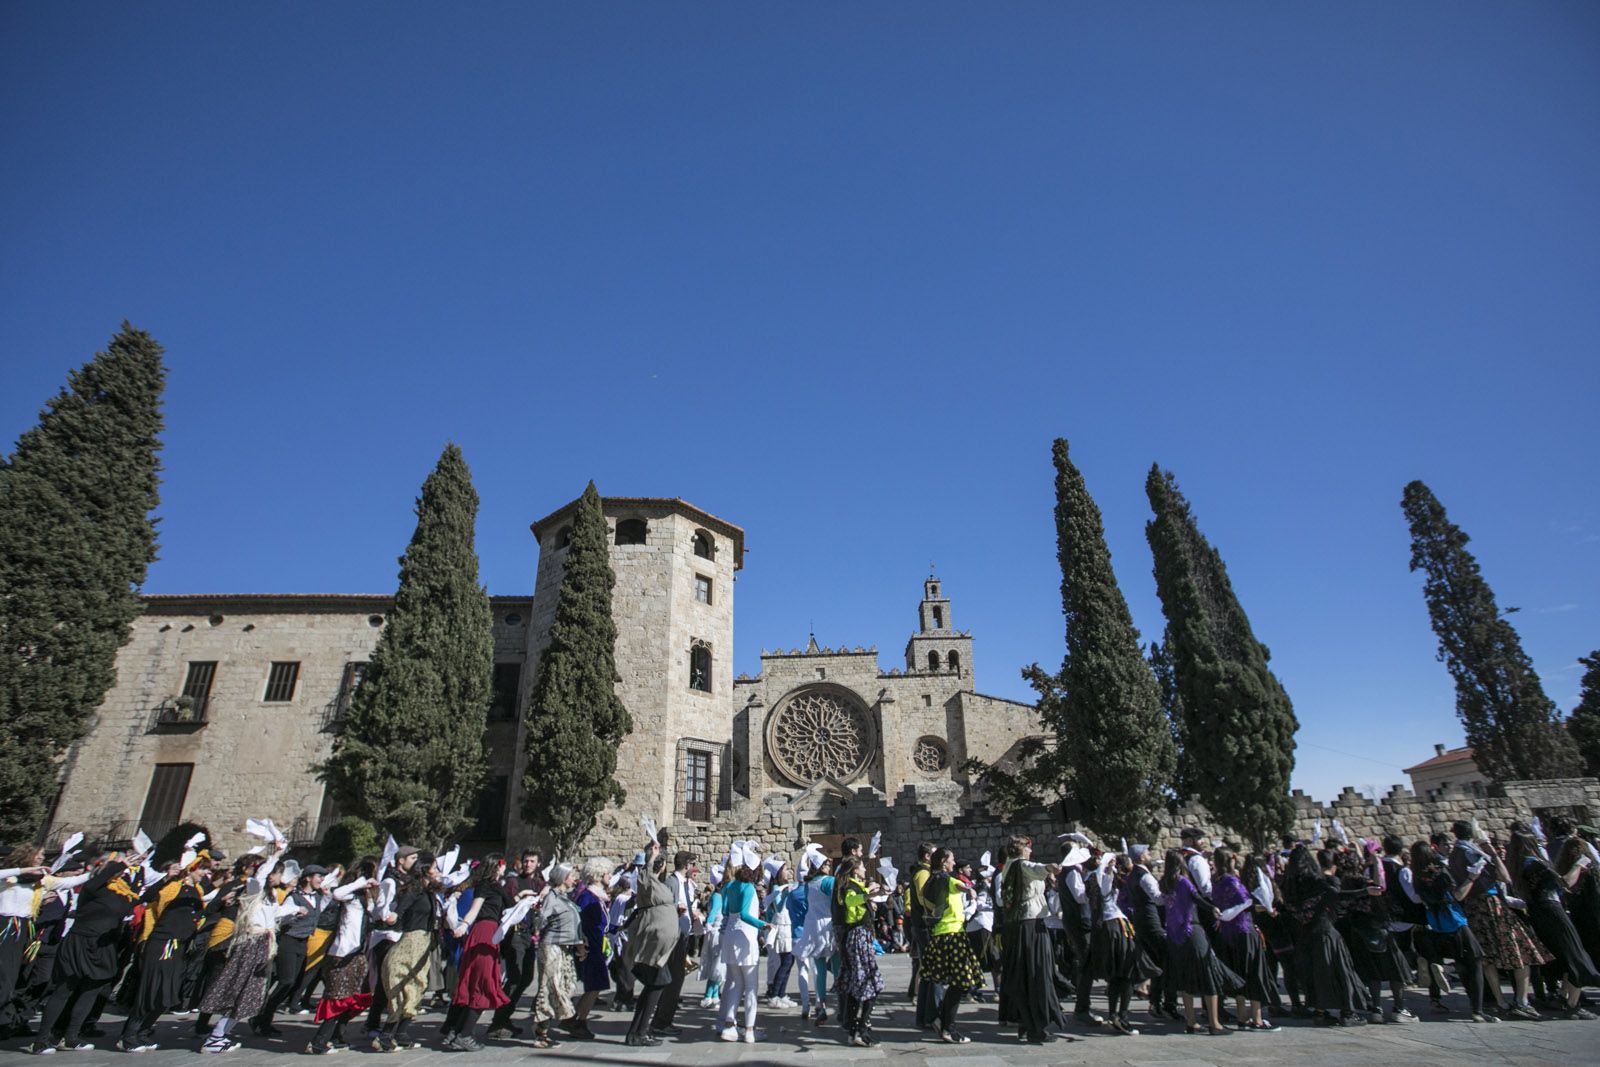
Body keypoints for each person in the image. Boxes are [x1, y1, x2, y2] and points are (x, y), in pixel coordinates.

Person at [30, 850, 149, 1053]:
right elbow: (99, 877)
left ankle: (71, 1037)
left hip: (104, 946)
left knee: (90, 992)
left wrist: (166, 880)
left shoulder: (121, 891)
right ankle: (41, 1039)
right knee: (65, 990)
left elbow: (136, 902)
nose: (122, 870)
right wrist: (121, 863)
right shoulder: (94, 887)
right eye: (117, 865)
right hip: (81, 941)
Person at [197, 844, 289, 1052]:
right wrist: (274, 855)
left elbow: (275, 913)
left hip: (263, 945)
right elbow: (260, 876)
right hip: (250, 945)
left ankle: (221, 1034)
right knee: (239, 988)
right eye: (277, 873)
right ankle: (215, 1036)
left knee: (251, 993)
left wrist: (296, 909)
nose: (279, 877)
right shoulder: (254, 889)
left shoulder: (270, 894)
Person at [118, 854, 212, 1051]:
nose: (206, 873)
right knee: (151, 990)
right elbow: (150, 898)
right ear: (192, 869)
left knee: (166, 993)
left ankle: (143, 1031)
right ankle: (128, 1036)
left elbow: (199, 914)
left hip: (180, 946)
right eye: (202, 869)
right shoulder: (173, 887)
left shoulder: (198, 890)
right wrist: (169, 877)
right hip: (162, 943)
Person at [1506, 832, 1600, 1019]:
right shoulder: (1536, 864)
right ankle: (1572, 1005)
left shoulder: (1520, 867)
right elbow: (1565, 882)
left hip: (1539, 913)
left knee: (1568, 957)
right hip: (1553, 911)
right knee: (1577, 957)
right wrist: (1579, 864)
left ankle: (1566, 999)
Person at [1284, 845, 1378, 1026]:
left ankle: (1320, 1012)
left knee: (1317, 975)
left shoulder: (1289, 885)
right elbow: (1337, 896)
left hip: (1306, 935)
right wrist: (1365, 892)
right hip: (1325, 932)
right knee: (1340, 972)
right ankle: (1348, 1012)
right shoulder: (1316, 882)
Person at [996, 835, 1070, 1043]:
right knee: (1036, 974)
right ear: (1021, 850)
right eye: (1028, 848)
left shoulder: (1009, 866)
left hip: (1019, 926)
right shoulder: (1022, 865)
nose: (1030, 851)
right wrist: (1051, 868)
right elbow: (1037, 868)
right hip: (1030, 925)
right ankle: (1035, 1027)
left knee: (1024, 975)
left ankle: (1026, 1022)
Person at [1410, 841, 1494, 1022]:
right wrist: (1472, 878)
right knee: (1476, 961)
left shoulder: (1417, 876)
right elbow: (1456, 895)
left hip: (1436, 923)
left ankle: (1446, 968)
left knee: (1464, 963)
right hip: (1454, 921)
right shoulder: (1439, 871)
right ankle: (1476, 1010)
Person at [441, 854, 512, 1051]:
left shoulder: (498, 887)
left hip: (493, 934)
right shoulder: (485, 885)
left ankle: (456, 1032)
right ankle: (463, 1035)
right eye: (503, 865)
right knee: (482, 983)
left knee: (479, 982)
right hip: (484, 933)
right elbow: (475, 908)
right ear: (498, 866)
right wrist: (464, 925)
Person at [305, 861, 377, 1054]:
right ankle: (318, 1042)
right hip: (341, 954)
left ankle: (337, 1036)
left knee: (353, 998)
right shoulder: (351, 897)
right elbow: (337, 893)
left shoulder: (364, 901)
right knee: (338, 998)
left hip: (358, 954)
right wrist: (361, 882)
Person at [253, 862, 327, 1037]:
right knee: (286, 980)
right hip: (288, 940)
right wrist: (293, 913)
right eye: (319, 876)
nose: (321, 880)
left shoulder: (317, 897)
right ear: (308, 878)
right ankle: (262, 1017)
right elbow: (280, 917)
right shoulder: (293, 897)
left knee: (292, 983)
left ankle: (263, 1017)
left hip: (303, 942)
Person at [919, 847, 984, 1043]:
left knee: (951, 983)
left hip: (942, 936)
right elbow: (956, 884)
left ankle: (942, 1021)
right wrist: (969, 889)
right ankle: (948, 1026)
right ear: (943, 862)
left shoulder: (932, 880)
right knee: (960, 982)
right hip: (951, 936)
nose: (954, 863)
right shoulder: (943, 879)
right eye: (952, 860)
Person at [375, 851, 439, 1051]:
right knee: (402, 986)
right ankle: (386, 1035)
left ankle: (401, 1032)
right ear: (425, 870)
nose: (437, 871)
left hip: (424, 943)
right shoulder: (413, 890)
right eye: (435, 868)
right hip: (411, 941)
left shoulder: (430, 892)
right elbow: (400, 910)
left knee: (417, 986)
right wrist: (393, 916)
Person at [1210, 850, 1280, 1031]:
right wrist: (1266, 908)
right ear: (1231, 860)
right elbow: (1245, 903)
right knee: (1254, 972)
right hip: (1244, 930)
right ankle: (1256, 1018)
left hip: (1228, 933)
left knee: (1239, 972)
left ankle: (1242, 1016)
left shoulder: (1216, 881)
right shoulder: (1233, 881)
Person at [622, 843, 675, 1047]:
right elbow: (643, 876)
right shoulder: (647, 882)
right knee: (658, 982)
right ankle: (639, 1032)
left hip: (659, 945)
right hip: (651, 944)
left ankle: (637, 1032)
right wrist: (650, 858)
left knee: (655, 985)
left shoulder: (659, 885)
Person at [487, 850, 542, 1039]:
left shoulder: (539, 883)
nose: (528, 864)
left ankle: (505, 1016)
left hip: (530, 935)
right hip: (516, 935)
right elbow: (508, 904)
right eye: (526, 861)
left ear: (538, 864)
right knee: (515, 977)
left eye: (532, 861)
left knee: (526, 977)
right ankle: (498, 1020)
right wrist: (522, 896)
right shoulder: (513, 882)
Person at [715, 849, 768, 1043]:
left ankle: (729, 1026)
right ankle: (749, 1031)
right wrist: (765, 925)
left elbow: (726, 910)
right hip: (745, 937)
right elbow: (746, 915)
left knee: (735, 983)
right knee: (751, 986)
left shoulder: (728, 887)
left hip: (730, 933)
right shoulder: (749, 888)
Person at [832, 856, 884, 1046]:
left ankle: (855, 1030)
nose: (864, 870)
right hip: (858, 938)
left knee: (860, 984)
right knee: (870, 983)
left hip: (859, 938)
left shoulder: (855, 886)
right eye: (862, 867)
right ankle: (859, 1029)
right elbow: (850, 901)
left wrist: (872, 894)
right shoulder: (849, 888)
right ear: (855, 870)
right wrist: (868, 896)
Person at [562, 860, 614, 1040]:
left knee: (596, 985)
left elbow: (602, 923)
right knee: (595, 985)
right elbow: (579, 921)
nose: (610, 876)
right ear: (599, 875)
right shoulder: (587, 897)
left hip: (597, 944)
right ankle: (577, 1020)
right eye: (608, 873)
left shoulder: (597, 896)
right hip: (590, 947)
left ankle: (575, 1018)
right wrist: (582, 945)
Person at [648, 850, 697, 1037]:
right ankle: (661, 1022)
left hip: (682, 935)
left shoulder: (683, 883)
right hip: (674, 936)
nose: (693, 868)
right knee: (673, 979)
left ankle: (665, 1019)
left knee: (677, 979)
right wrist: (677, 910)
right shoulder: (672, 882)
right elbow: (663, 907)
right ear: (686, 865)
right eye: (692, 864)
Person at [794, 852, 835, 1023]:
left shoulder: (808, 884)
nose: (828, 865)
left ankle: (821, 1006)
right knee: (837, 967)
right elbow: (836, 902)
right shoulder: (829, 881)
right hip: (828, 925)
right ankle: (844, 1006)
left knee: (820, 971)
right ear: (821, 866)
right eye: (826, 863)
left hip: (813, 927)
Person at [761, 859, 797, 1007]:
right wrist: (786, 892)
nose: (788, 871)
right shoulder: (777, 888)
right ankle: (775, 995)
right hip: (781, 924)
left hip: (787, 924)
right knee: (786, 961)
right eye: (785, 869)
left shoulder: (781, 887)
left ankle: (781, 994)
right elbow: (779, 907)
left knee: (789, 961)